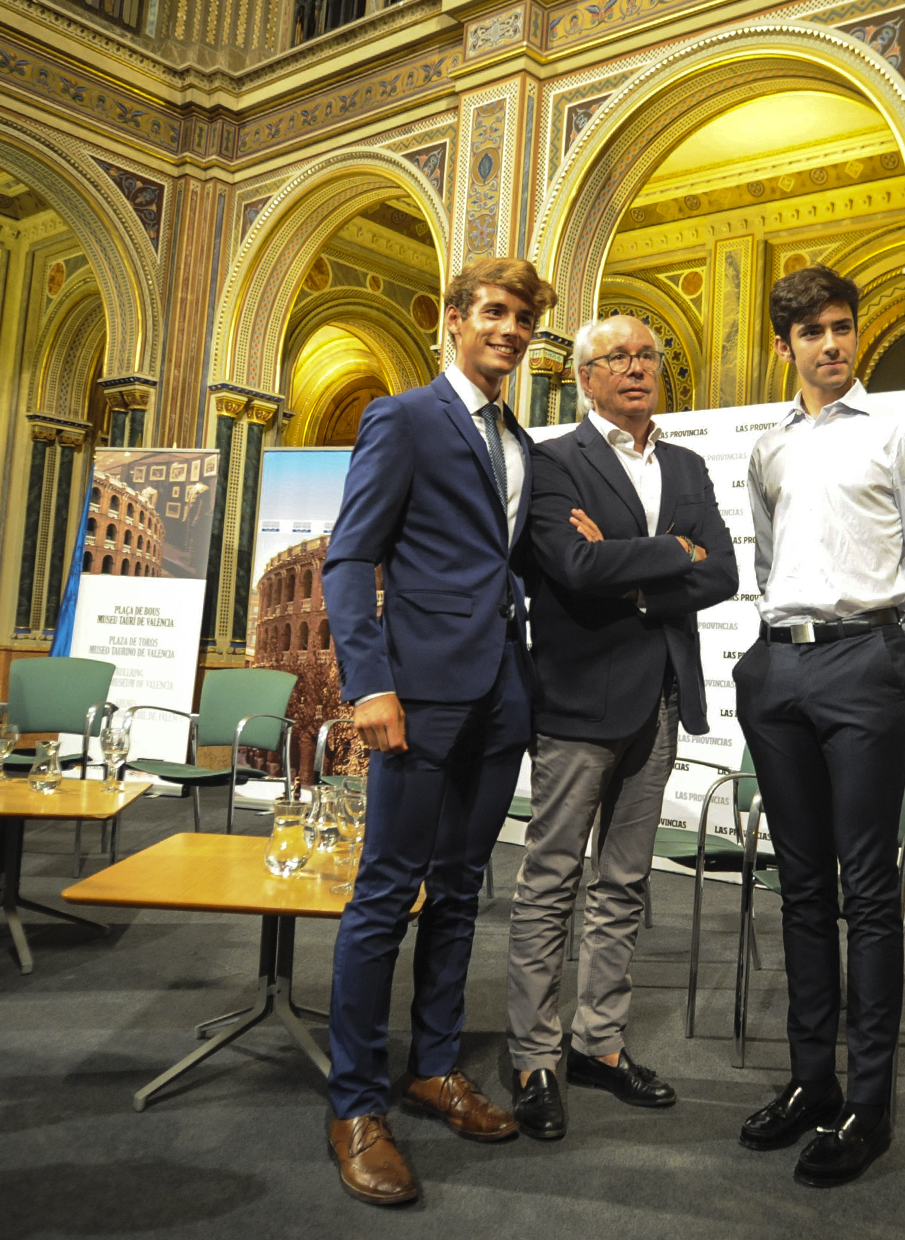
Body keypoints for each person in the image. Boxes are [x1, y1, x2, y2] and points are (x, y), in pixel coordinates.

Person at [319, 257, 553, 1207]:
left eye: (524, 318)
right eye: (494, 312)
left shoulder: (520, 439)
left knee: (461, 888)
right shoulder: (405, 417)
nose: (509, 329)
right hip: (415, 696)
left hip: (500, 692)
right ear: (454, 320)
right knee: (386, 893)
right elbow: (349, 557)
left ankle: (437, 1064)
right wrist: (369, 682)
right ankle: (356, 1103)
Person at [733, 265, 905, 1188]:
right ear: (783, 345)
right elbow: (765, 554)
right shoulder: (768, 449)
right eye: (814, 333)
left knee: (866, 890)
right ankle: (810, 1083)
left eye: (843, 327)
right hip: (779, 665)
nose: (833, 345)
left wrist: (890, 659)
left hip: (863, 659)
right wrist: (773, 652)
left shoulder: (901, 429)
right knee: (798, 888)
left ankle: (870, 1103)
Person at [506, 314, 737, 1139]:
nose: (638, 368)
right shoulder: (551, 459)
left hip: (662, 697)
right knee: (551, 881)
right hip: (576, 701)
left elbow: (725, 571)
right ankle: (533, 1054)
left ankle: (596, 1044)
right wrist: (674, 549)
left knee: (625, 883)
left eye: (648, 354)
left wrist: (636, 568)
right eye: (618, 358)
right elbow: (569, 566)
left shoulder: (686, 462)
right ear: (585, 376)